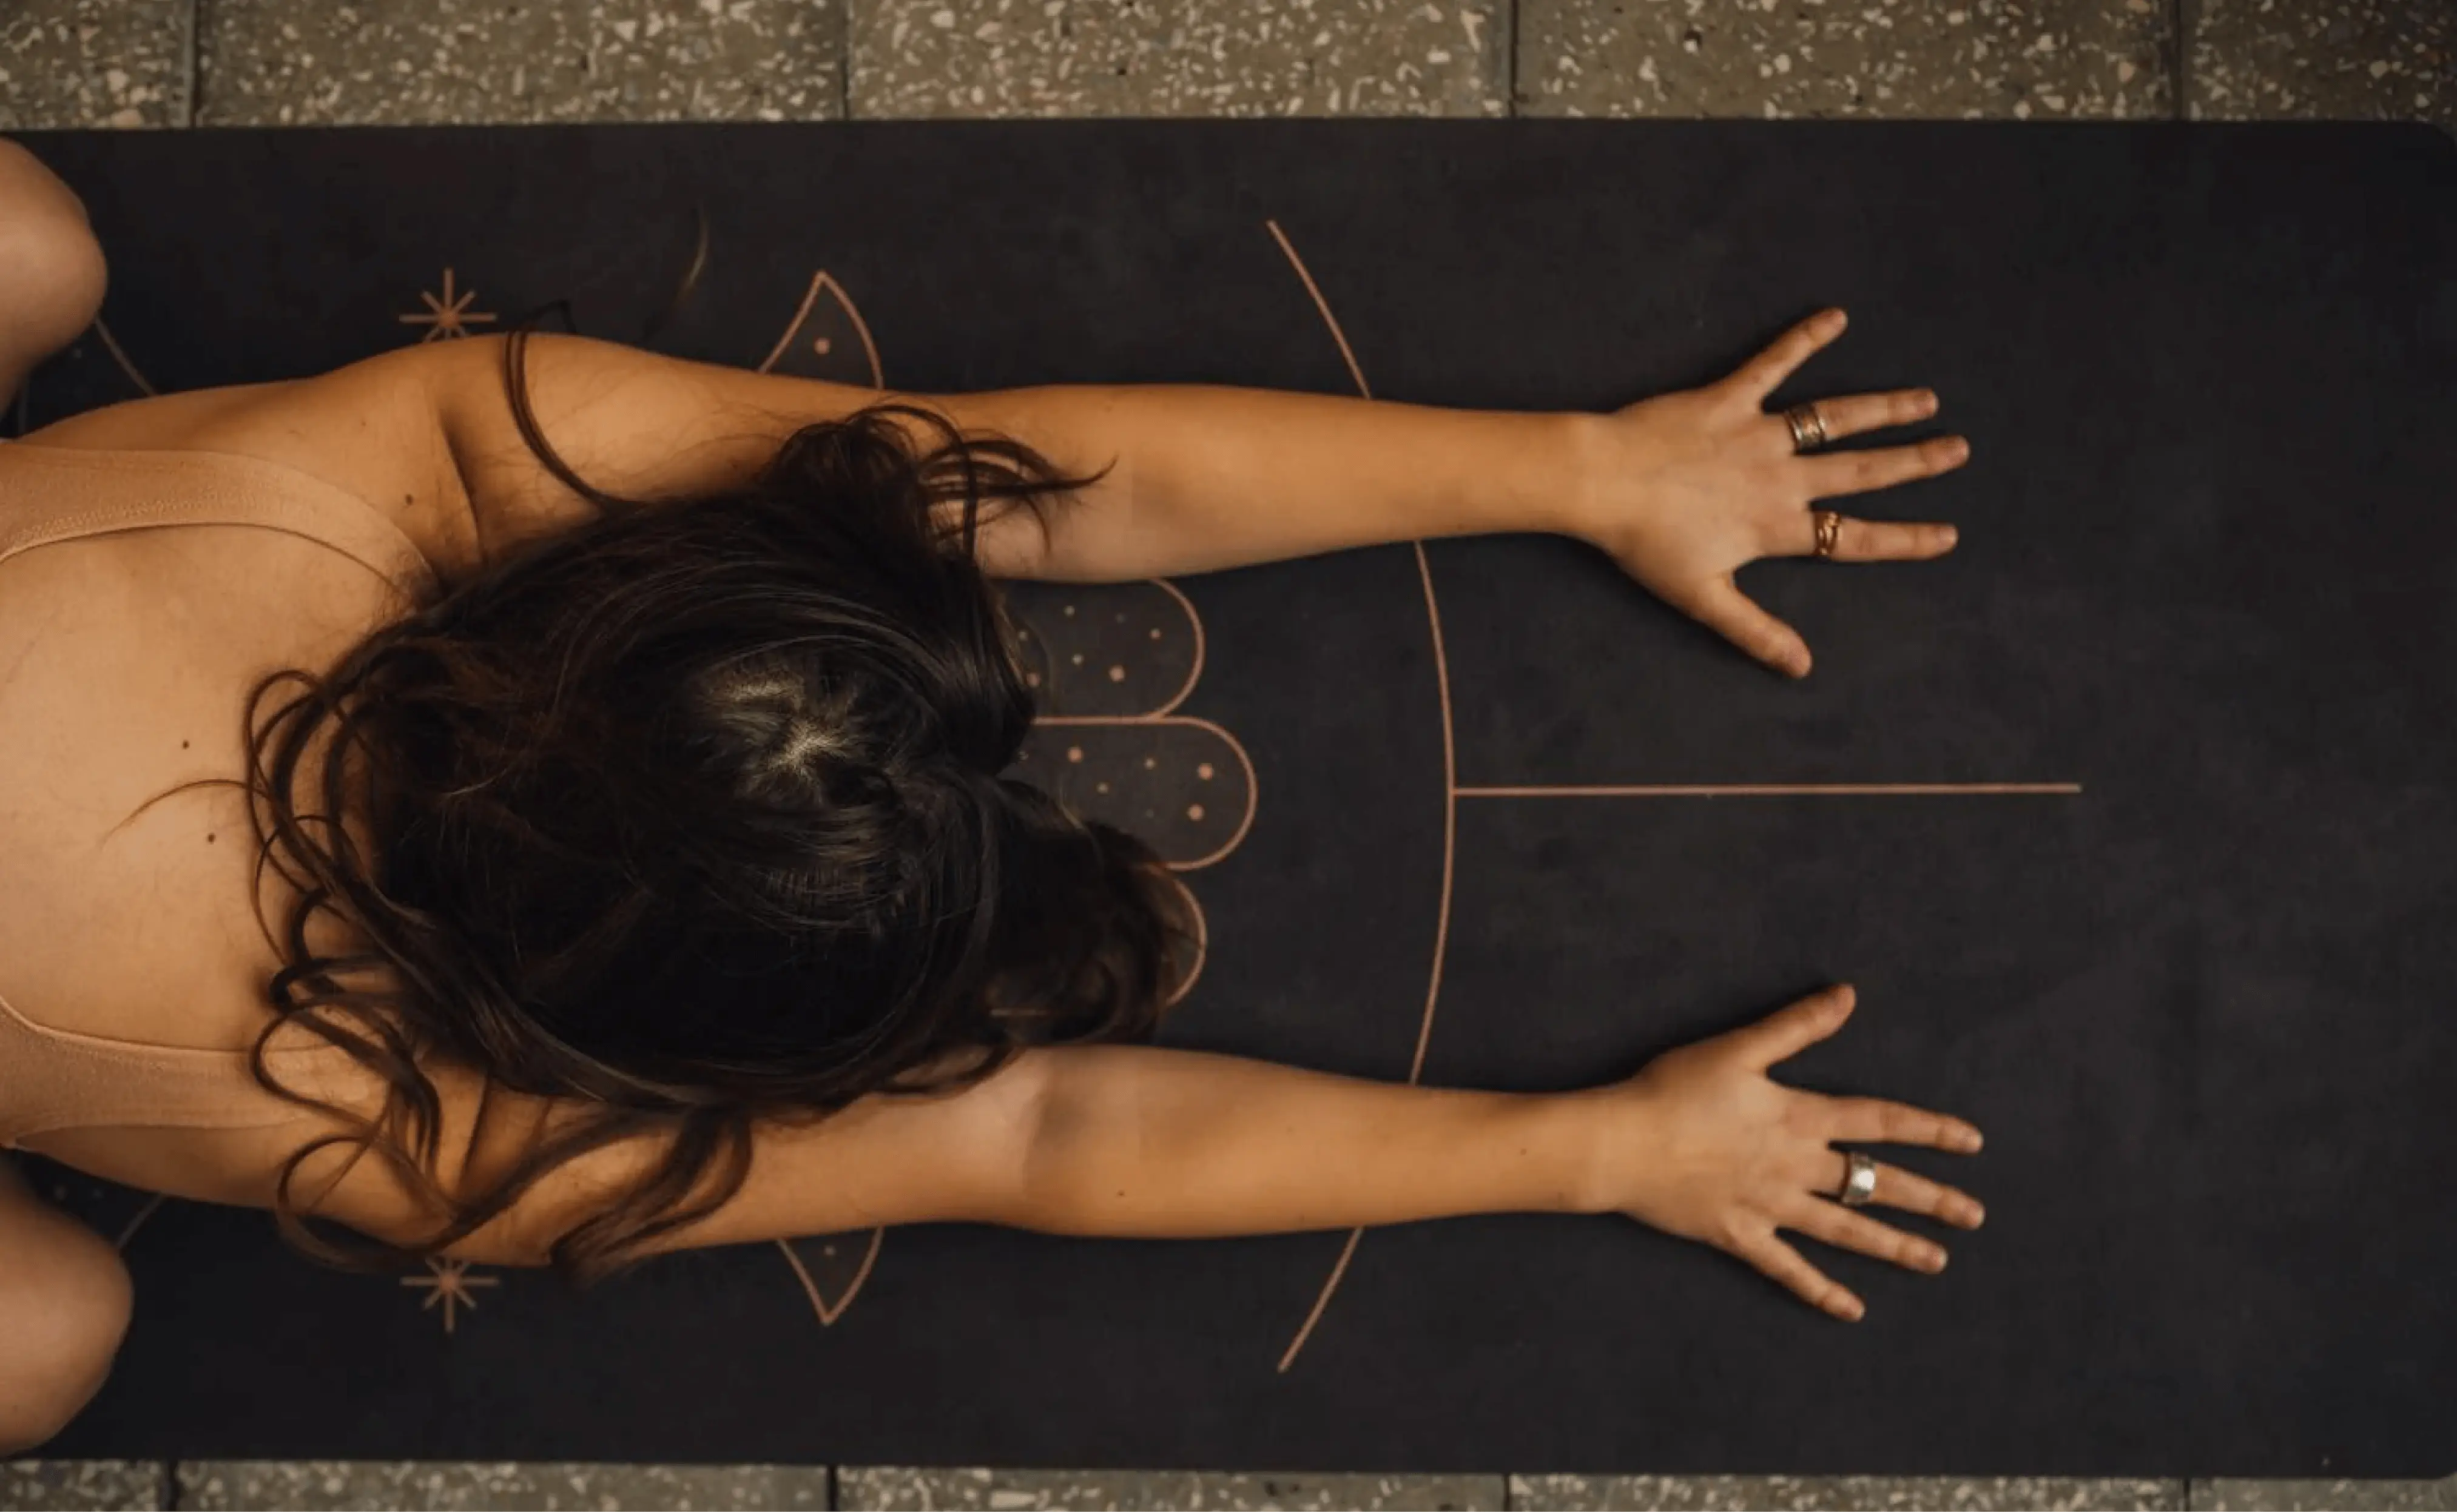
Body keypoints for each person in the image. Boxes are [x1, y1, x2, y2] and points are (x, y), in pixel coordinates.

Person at [0, 135, 1982, 1454]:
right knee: (50, 1334)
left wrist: (1589, 471)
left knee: (33, 252)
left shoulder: (425, 459)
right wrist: (1600, 1154)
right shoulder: (398, 1116)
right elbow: (1031, 1133)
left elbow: (1021, 470)